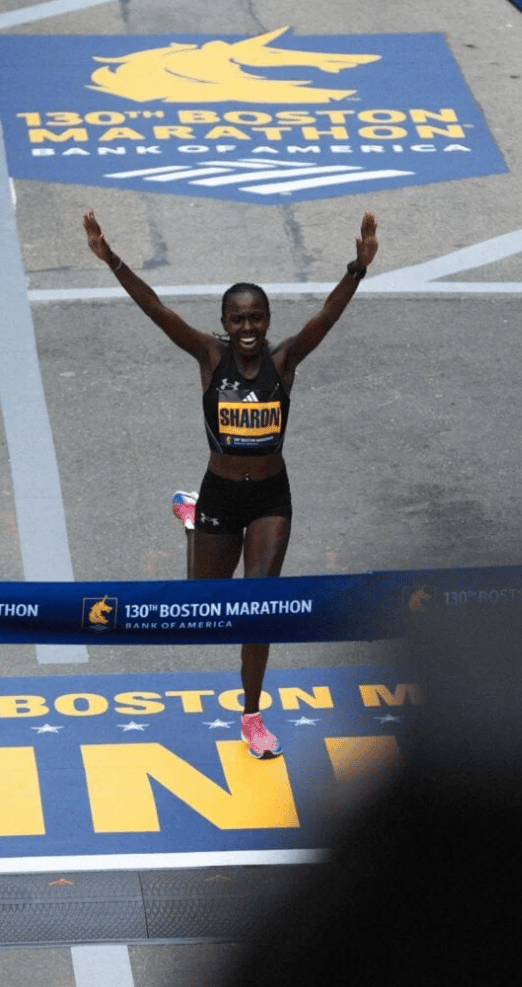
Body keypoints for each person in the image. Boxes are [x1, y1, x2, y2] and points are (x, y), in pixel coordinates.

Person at [83, 209, 378, 759]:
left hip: (269, 499)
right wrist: (112, 259)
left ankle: (251, 716)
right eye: (238, 319)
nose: (248, 328)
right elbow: (157, 310)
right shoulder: (209, 356)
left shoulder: (284, 360)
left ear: (267, 321)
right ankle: (194, 520)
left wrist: (356, 269)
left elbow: (326, 316)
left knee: (257, 609)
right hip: (220, 495)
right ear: (224, 322)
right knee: (204, 606)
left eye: (256, 319)